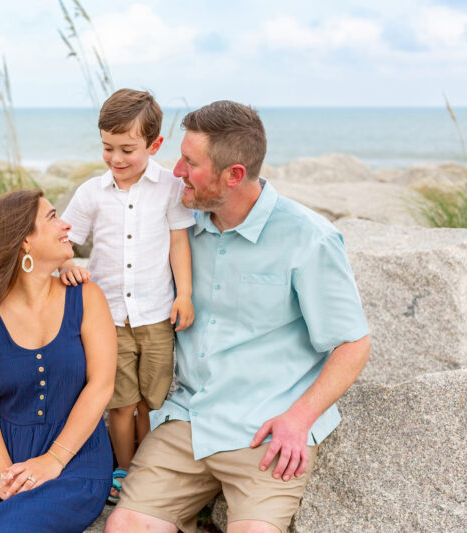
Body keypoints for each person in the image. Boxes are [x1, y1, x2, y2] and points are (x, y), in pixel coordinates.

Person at [105, 101, 371, 533]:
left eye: (190, 163)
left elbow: (354, 343)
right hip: (190, 418)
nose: (175, 171)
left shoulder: (309, 238)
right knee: (125, 527)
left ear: (233, 175)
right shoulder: (178, 224)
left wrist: (299, 419)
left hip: (268, 429)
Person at [0, 190, 116, 532]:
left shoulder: (86, 298)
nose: (66, 224)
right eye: (52, 217)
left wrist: (54, 460)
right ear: (24, 241)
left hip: (75, 456)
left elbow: (102, 385)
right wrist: (5, 475)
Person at [59, 88, 196, 504]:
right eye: (107, 148)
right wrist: (65, 264)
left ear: (154, 145)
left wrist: (184, 294)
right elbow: (66, 239)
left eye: (127, 149)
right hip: (109, 319)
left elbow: (178, 243)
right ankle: (124, 468)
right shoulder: (91, 193)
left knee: (151, 402)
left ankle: (148, 469)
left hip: (156, 315)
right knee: (119, 402)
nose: (116, 159)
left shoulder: (170, 188)